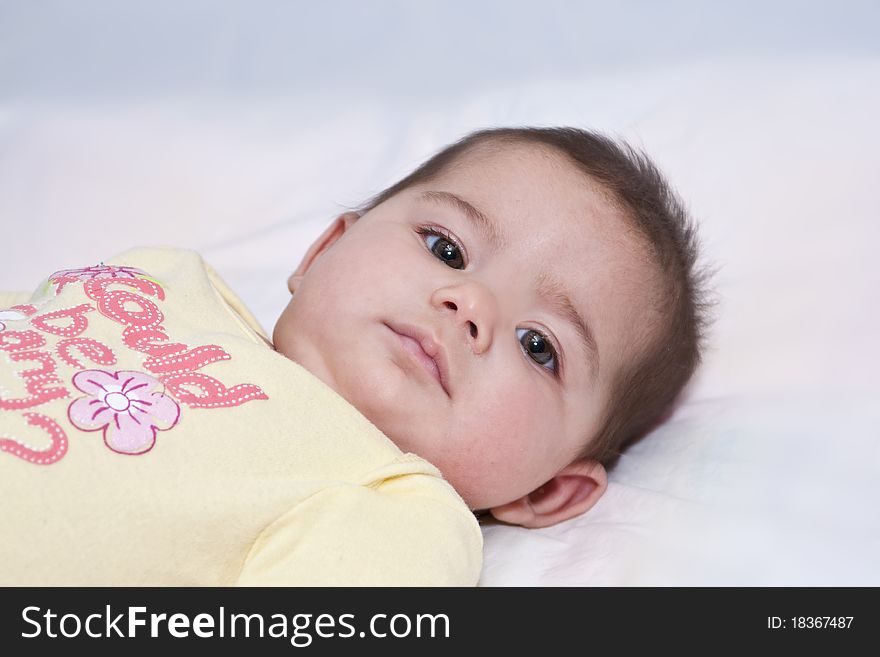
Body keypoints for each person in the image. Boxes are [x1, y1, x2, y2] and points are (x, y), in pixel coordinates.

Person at [0, 126, 712, 585]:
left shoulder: (395, 509)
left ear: (548, 490)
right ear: (325, 250)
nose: (469, 304)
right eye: (446, 248)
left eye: (539, 346)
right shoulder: (163, 280)